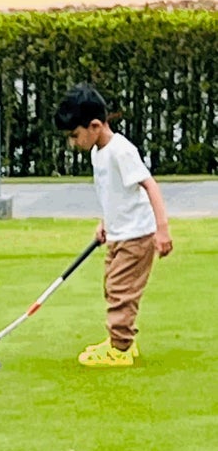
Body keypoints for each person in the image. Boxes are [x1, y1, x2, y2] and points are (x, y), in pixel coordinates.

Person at [55, 84, 173, 369]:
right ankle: (123, 340)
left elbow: (150, 185)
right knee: (112, 286)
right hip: (118, 234)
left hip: (137, 235)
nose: (73, 143)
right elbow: (113, 192)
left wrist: (162, 230)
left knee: (121, 290)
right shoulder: (98, 152)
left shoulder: (121, 151)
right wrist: (105, 221)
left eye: (75, 135)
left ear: (95, 126)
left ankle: (120, 349)